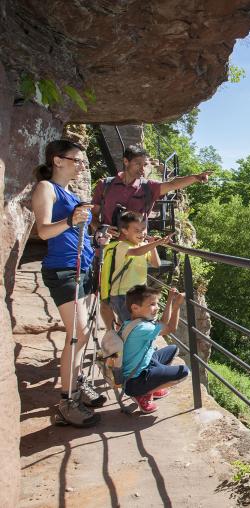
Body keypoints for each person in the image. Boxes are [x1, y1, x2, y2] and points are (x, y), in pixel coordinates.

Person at [91, 144, 211, 329]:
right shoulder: (105, 185)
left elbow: (172, 184)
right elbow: (94, 216)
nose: (142, 168)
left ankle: (127, 335)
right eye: (138, 163)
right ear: (126, 161)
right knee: (106, 296)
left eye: (145, 164)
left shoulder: (149, 188)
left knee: (133, 296)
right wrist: (102, 228)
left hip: (137, 250)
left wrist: (195, 178)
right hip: (109, 249)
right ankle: (111, 334)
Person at [31, 139, 107, 428]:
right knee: (77, 332)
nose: (81, 165)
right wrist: (73, 220)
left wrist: (96, 238)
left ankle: (77, 384)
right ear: (58, 160)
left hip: (82, 267)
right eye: (76, 160)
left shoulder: (70, 192)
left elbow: (77, 232)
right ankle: (67, 401)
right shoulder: (46, 189)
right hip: (63, 270)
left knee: (85, 332)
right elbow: (44, 231)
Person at [121, 285, 189, 414]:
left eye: (157, 303)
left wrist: (170, 299)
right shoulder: (142, 328)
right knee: (184, 372)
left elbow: (163, 323)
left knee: (173, 349)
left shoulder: (133, 321)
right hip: (135, 381)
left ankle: (152, 385)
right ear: (135, 307)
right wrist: (177, 305)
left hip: (141, 367)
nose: (157, 307)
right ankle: (143, 393)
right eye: (152, 304)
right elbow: (170, 328)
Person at [101, 211, 174, 324]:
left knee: (131, 326)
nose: (142, 233)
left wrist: (152, 244)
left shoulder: (144, 246)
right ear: (125, 231)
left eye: (143, 229)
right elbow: (136, 252)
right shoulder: (121, 246)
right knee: (130, 326)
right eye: (137, 230)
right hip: (122, 295)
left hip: (139, 294)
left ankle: (124, 338)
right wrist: (158, 243)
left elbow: (156, 264)